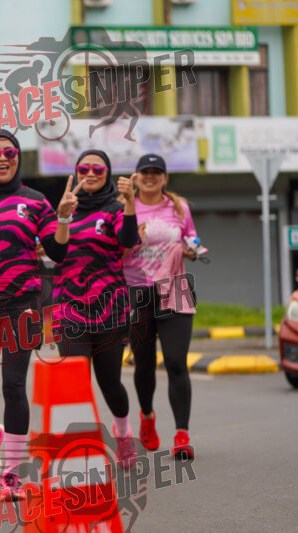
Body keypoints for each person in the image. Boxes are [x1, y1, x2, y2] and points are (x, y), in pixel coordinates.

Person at [0, 131, 69, 498]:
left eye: (9, 152)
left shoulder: (36, 201)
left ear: (18, 156)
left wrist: (64, 219)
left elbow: (57, 253)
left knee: (13, 386)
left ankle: (12, 473)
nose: (3, 158)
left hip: (21, 306)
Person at [54, 150, 140, 468]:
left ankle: (123, 434)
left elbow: (128, 241)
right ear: (76, 172)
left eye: (98, 169)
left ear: (108, 174)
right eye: (84, 168)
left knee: (110, 383)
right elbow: (56, 252)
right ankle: (81, 450)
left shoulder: (115, 209)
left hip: (110, 311)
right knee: (74, 384)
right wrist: (63, 216)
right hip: (70, 310)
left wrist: (129, 203)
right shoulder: (64, 207)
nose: (90, 173)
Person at [122, 153, 198, 460]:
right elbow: (115, 247)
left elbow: (192, 238)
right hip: (137, 290)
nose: (151, 177)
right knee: (144, 363)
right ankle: (147, 417)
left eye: (157, 172)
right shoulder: (125, 206)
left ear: (165, 178)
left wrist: (193, 248)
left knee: (177, 362)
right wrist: (131, 238)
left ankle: (182, 435)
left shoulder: (179, 207)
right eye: (145, 172)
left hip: (175, 287)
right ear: (137, 177)